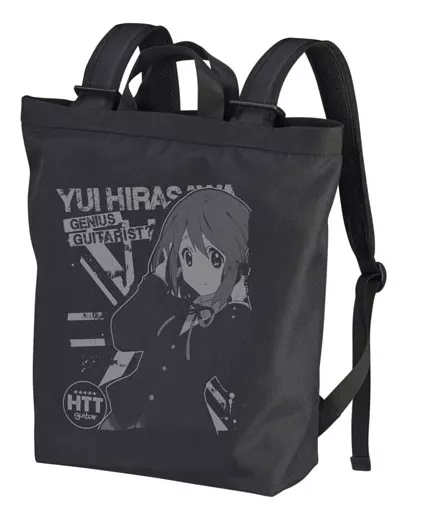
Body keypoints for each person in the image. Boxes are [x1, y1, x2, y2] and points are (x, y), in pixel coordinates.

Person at [100, 189, 251, 434]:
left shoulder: (229, 324)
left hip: (179, 429)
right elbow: (122, 337)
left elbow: (234, 377)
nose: (199, 270)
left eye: (215, 258)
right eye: (187, 255)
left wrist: (238, 307)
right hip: (123, 414)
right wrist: (154, 281)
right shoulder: (170, 306)